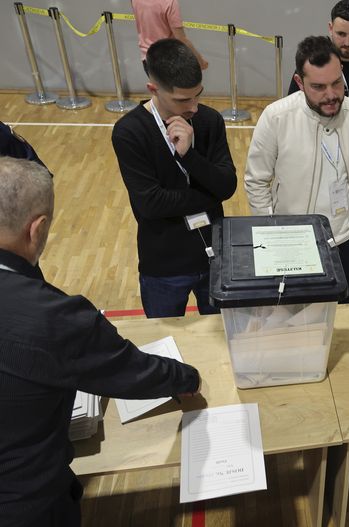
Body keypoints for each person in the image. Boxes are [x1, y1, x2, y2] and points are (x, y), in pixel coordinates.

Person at [0, 157, 201, 527]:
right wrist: (188, 379)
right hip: (27, 503)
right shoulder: (49, 316)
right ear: (37, 228)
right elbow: (132, 371)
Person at [245, 36, 349, 304]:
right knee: (293, 312)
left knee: (338, 309)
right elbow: (256, 181)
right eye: (318, 87)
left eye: (336, 83)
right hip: (293, 241)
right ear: (299, 83)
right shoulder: (276, 118)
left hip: (348, 237)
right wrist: (272, 232)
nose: (331, 94)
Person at [112, 39, 237, 318]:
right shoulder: (129, 132)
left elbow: (227, 186)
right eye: (182, 100)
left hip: (215, 256)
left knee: (222, 335)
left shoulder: (210, 120)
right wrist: (209, 197)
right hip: (164, 265)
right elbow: (151, 204)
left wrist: (190, 156)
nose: (193, 106)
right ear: (153, 89)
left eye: (198, 95)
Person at [287, 0, 349, 276]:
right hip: (322, 152)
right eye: (341, 34)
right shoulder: (313, 63)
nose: (346, 42)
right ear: (330, 28)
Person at [131, 0, 209, 74]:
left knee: (161, 86)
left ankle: (155, 84)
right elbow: (181, 39)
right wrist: (200, 61)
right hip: (168, 62)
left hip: (147, 59)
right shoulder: (169, 3)